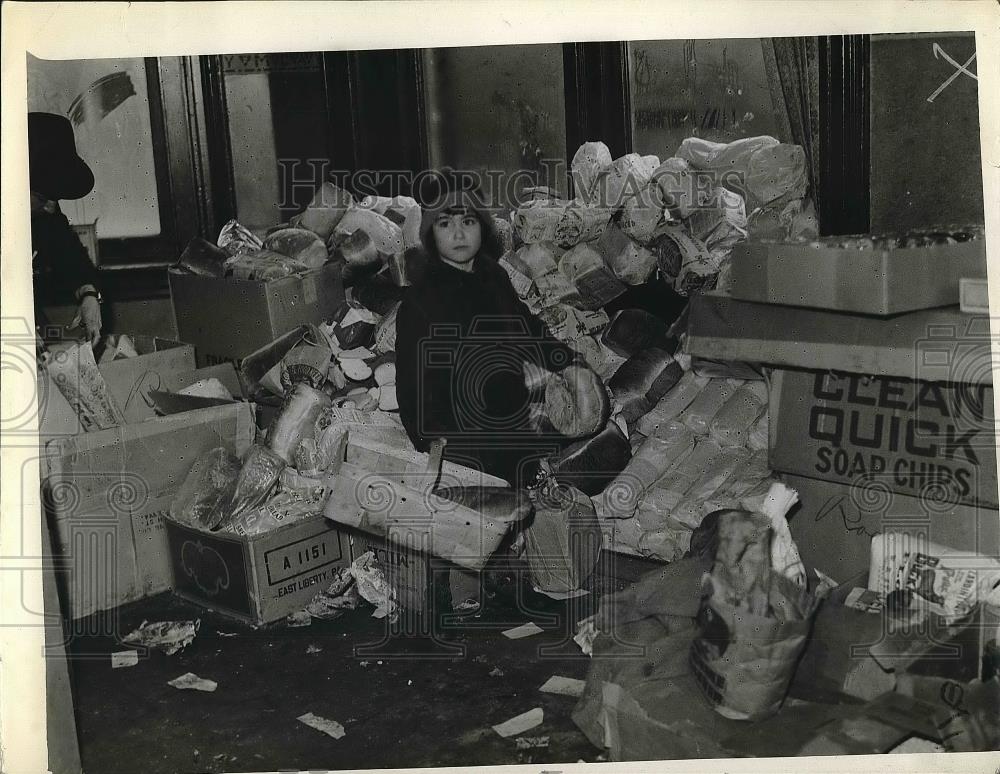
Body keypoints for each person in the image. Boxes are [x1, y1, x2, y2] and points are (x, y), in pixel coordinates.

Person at [395, 172, 576, 617]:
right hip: (457, 430)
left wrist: (565, 360)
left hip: (506, 417)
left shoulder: (494, 277)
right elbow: (410, 382)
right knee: (470, 516)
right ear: (430, 233)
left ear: (484, 228)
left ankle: (507, 581)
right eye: (445, 224)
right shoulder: (421, 300)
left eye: (469, 222)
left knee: (516, 503)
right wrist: (430, 440)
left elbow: (527, 329)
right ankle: (444, 591)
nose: (458, 233)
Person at [28, 112, 103, 345]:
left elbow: (69, 255)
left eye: (56, 198)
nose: (52, 208)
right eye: (42, 197)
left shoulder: (44, 214)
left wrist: (89, 294)